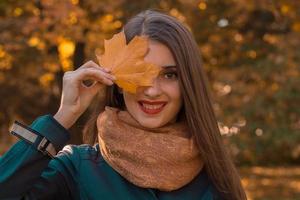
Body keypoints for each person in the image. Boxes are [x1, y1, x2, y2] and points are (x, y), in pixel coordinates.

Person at [0, 10, 247, 200]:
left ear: (188, 83)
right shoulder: (77, 169)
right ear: (116, 81)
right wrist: (62, 117)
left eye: (169, 75)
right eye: (139, 73)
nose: (151, 90)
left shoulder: (215, 176)